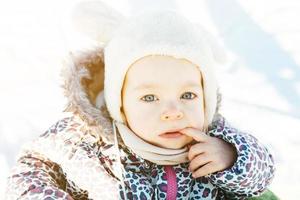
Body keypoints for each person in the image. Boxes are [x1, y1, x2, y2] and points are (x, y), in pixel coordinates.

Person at [5, 1, 277, 199]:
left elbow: (261, 177)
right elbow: (30, 169)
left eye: (188, 95)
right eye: (149, 97)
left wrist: (232, 158)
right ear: (119, 101)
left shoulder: (215, 138)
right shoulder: (86, 139)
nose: (172, 111)